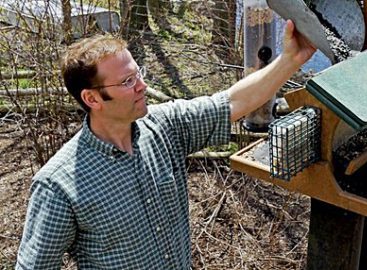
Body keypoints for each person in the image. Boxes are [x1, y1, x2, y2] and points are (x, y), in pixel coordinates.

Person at [16, 20, 315, 269]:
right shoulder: (58, 186)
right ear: (92, 99)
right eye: (127, 81)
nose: (142, 86)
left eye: (138, 74)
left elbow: (233, 101)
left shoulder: (164, 127)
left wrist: (290, 59)